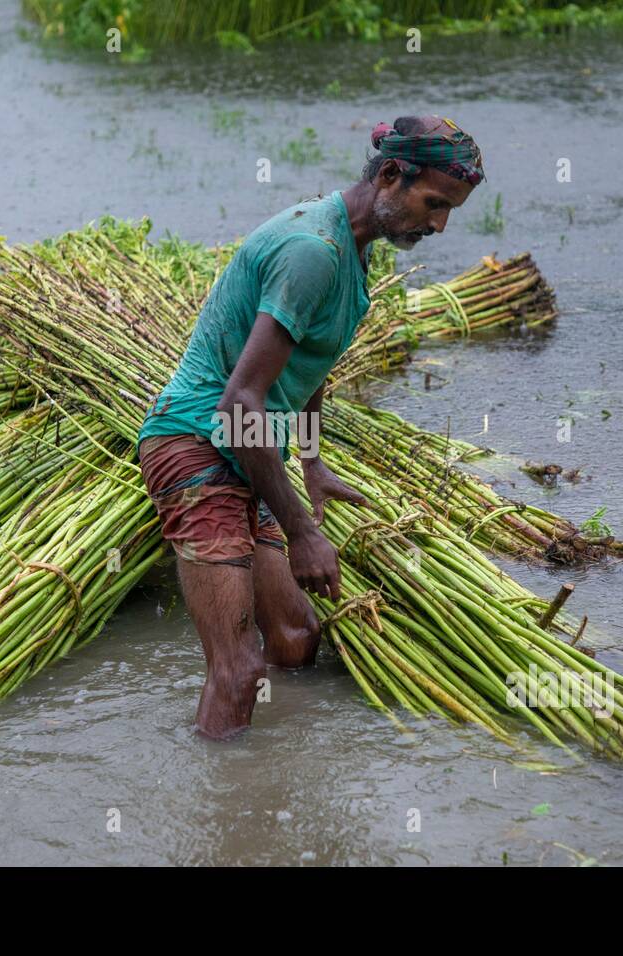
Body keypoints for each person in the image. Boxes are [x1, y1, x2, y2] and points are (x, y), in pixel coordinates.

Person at [137, 115, 483, 738]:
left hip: (250, 454)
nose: (439, 225)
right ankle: (223, 811)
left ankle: (266, 756)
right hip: (195, 447)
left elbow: (308, 367)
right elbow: (239, 402)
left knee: (295, 640)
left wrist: (313, 464)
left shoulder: (352, 251)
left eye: (449, 211)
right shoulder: (313, 253)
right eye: (434, 204)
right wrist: (301, 531)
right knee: (239, 671)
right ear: (389, 175)